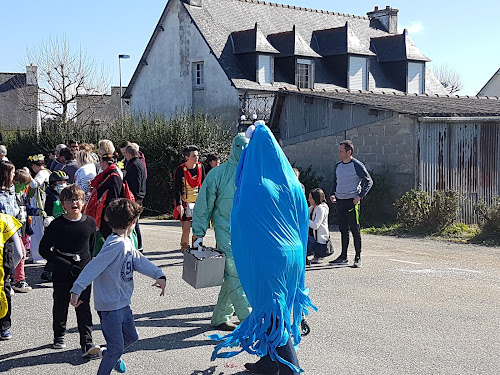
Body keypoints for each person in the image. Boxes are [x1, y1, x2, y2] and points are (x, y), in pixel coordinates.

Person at [209, 122, 315, 375]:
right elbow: (301, 220)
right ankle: (269, 361)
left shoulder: (256, 183)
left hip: (271, 256)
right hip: (294, 254)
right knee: (276, 308)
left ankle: (291, 368)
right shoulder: (290, 182)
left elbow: (242, 218)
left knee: (272, 309)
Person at [70, 198, 166, 375]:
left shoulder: (126, 242)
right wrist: (77, 288)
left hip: (123, 303)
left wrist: (158, 274)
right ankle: (110, 359)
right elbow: (93, 265)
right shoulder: (116, 244)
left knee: (131, 337)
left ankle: (109, 354)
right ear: (132, 223)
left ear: (107, 218)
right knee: (116, 347)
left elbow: (139, 260)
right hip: (110, 306)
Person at [192, 134, 251, 331]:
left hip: (245, 232)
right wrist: (198, 233)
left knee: (234, 271)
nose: (242, 152)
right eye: (238, 147)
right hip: (224, 229)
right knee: (235, 271)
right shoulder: (218, 173)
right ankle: (247, 317)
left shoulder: (252, 173)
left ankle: (220, 316)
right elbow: (204, 203)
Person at [39, 185, 100, 357]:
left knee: (83, 305)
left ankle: (87, 342)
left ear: (83, 202)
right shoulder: (57, 225)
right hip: (62, 269)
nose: (74, 203)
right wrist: (59, 262)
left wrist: (88, 267)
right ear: (63, 204)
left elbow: (91, 247)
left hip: (83, 271)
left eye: (78, 199)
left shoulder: (90, 222)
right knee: (61, 303)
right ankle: (59, 335)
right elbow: (43, 249)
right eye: (69, 200)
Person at [329, 140, 373, 268]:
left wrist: (360, 196)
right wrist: (332, 193)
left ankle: (358, 257)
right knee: (343, 230)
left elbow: (368, 181)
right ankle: (343, 256)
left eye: (342, 152)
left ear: (349, 152)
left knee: (355, 229)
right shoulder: (338, 165)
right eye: (339, 151)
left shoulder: (357, 165)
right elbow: (334, 181)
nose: (339, 154)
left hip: (352, 202)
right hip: (340, 201)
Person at [12, 169, 43, 293]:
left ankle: (15, 277)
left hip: (24, 228)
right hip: (15, 229)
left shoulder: (23, 195)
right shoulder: (11, 195)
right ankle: (19, 279)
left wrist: (37, 211)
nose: (25, 187)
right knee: (21, 254)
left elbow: (28, 208)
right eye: (23, 184)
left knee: (22, 255)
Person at [173, 145, 205, 252]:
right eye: (194, 156)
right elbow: (176, 188)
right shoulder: (180, 169)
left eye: (197, 155)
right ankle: (184, 249)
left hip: (198, 203)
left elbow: (204, 185)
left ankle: (196, 248)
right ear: (187, 157)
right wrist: (178, 204)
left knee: (198, 228)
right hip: (186, 202)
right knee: (186, 230)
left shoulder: (201, 167)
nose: (197, 158)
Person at [40, 170, 70, 282]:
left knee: (60, 249)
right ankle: (48, 271)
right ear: (53, 184)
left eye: (64, 182)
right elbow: (47, 211)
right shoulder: (50, 196)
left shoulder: (65, 195)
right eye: (59, 182)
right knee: (56, 249)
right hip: (53, 225)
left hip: (64, 224)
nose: (63, 185)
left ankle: (49, 270)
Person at [86, 153, 123, 242]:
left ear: (105, 163)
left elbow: (114, 197)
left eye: (101, 162)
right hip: (103, 211)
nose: (100, 164)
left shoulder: (113, 177)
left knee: (107, 236)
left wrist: (109, 214)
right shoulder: (107, 174)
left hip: (108, 213)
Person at [0, 213, 22, 340]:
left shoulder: (6, 220)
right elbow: (18, 254)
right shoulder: (6, 219)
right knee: (4, 293)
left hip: (4, 268)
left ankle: (4, 326)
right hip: (4, 269)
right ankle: (4, 327)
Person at [27, 154, 51, 263]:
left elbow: (34, 184)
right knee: (36, 229)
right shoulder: (46, 172)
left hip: (40, 202)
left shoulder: (42, 173)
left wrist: (28, 176)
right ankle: (35, 253)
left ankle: (38, 255)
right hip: (38, 201)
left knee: (38, 230)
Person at [123, 145, 146, 252]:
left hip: (134, 197)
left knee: (134, 223)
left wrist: (134, 198)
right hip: (138, 196)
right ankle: (138, 244)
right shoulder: (139, 163)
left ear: (128, 154)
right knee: (134, 222)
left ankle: (139, 245)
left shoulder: (133, 165)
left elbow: (136, 183)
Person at [307, 188, 330, 264]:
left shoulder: (321, 209)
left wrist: (305, 219)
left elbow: (315, 225)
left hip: (320, 240)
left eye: (311, 198)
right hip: (314, 237)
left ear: (316, 199)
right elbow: (305, 213)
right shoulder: (313, 207)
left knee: (305, 241)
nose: (308, 200)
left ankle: (318, 254)